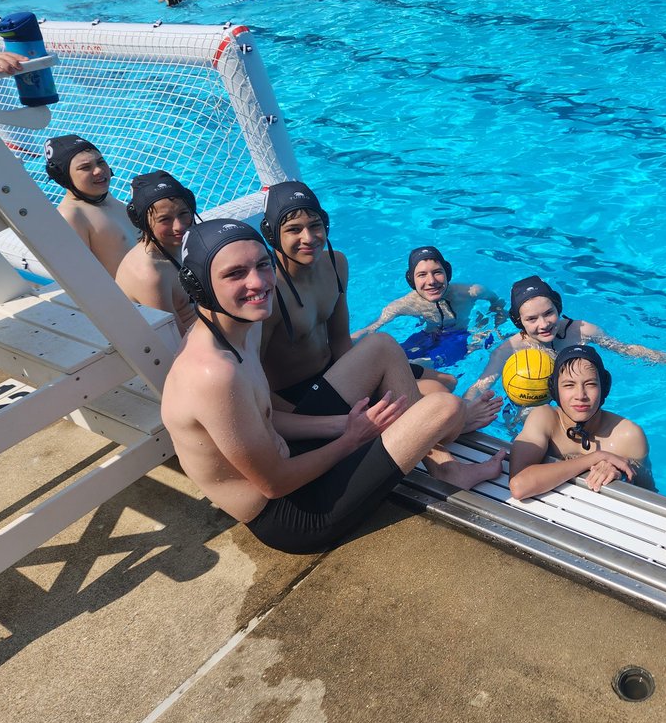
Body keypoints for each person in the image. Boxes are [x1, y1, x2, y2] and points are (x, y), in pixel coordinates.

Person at [161, 220, 488, 554]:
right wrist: (351, 439)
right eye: (235, 274)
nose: (258, 282)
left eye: (262, 265)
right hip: (294, 514)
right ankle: (446, 447)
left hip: (291, 456)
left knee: (381, 345)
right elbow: (274, 484)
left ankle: (439, 448)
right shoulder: (213, 374)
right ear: (199, 286)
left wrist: (342, 424)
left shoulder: (241, 327)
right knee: (444, 407)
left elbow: (263, 418)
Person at [256, 183, 500, 485]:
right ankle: (445, 463)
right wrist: (328, 424)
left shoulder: (335, 262)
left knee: (444, 385)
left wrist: (374, 386)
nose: (308, 238)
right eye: (294, 229)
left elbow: (341, 342)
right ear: (271, 234)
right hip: (299, 401)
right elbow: (257, 390)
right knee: (439, 403)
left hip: (335, 375)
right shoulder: (267, 291)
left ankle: (445, 425)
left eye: (315, 225)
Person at [464, 275, 666, 399]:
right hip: (537, 397)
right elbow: (481, 384)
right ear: (519, 321)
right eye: (532, 319)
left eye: (549, 313)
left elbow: (629, 350)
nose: (544, 324)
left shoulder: (582, 331)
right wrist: (463, 410)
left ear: (559, 308)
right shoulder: (510, 348)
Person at [508, 344, 653, 499]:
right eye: (569, 385)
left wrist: (622, 474)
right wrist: (597, 457)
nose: (580, 395)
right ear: (554, 389)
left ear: (605, 387)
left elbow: (647, 496)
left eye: (590, 384)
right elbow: (519, 486)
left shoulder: (627, 436)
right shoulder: (544, 419)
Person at [360, 246, 505, 372]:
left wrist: (494, 328)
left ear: (447, 273)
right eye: (422, 275)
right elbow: (371, 328)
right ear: (412, 280)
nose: (431, 281)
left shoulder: (472, 292)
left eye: (437, 272)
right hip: (426, 336)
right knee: (390, 357)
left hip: (463, 335)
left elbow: (498, 304)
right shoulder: (405, 304)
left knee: (418, 364)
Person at [115, 170, 199, 335]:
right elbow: (174, 338)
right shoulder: (150, 274)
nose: (179, 226)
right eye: (164, 220)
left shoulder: (182, 244)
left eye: (183, 213)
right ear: (142, 221)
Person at [45, 135, 137, 278]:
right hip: (129, 299)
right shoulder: (71, 216)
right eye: (85, 167)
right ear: (64, 177)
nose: (99, 170)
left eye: (100, 162)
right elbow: (82, 278)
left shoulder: (104, 196)